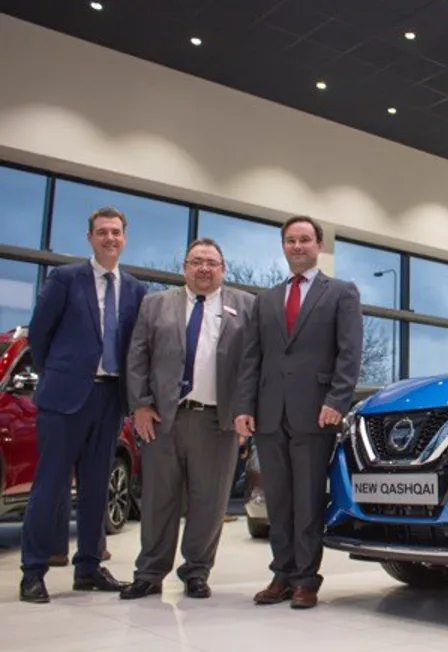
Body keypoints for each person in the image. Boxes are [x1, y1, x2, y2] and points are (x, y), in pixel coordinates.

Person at [20, 206, 146, 603]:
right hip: (64, 399)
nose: (110, 238)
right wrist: (61, 375)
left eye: (116, 232)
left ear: (125, 238)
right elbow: (40, 335)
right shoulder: (65, 279)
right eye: (102, 232)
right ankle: (33, 571)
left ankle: (88, 567)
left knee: (97, 488)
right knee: (50, 487)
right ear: (90, 238)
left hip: (110, 398)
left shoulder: (137, 289)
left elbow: (133, 348)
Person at [235, 216, 362, 610]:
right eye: (290, 240)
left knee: (307, 500)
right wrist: (244, 406)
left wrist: (337, 400)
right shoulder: (266, 300)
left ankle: (306, 579)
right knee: (278, 500)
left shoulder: (341, 292)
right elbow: (251, 358)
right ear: (283, 246)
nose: (297, 246)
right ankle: (281, 575)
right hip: (269, 413)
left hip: (316, 412)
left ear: (318, 245)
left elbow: (349, 353)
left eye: (304, 239)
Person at [120, 238, 254, 600]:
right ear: (184, 268)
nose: (204, 268)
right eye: (197, 262)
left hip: (218, 422)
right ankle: (149, 573)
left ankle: (196, 571)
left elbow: (252, 366)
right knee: (157, 500)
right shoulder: (155, 305)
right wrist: (141, 405)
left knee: (209, 503)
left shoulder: (246, 307)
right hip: (164, 419)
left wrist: (246, 412)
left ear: (223, 269)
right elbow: (137, 357)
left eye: (212, 262)